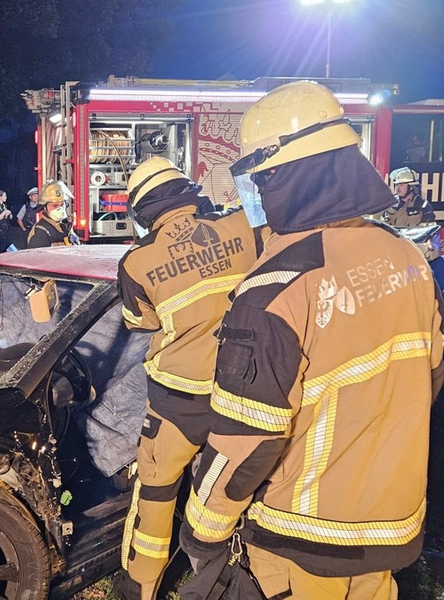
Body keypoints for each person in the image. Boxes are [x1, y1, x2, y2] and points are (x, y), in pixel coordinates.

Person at [179, 80, 444, 600]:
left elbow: (245, 438)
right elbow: (427, 379)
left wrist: (202, 531)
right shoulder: (407, 258)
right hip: (390, 524)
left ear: (280, 175)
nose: (252, 194)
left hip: (300, 535)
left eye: (257, 178)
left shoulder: (277, 289)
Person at [116, 156, 264, 600]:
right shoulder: (243, 229)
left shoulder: (137, 263)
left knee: (155, 497)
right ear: (188, 193)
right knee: (234, 494)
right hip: (240, 395)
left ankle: (140, 588)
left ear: (142, 212)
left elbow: (139, 323)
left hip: (175, 402)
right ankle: (228, 576)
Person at [27, 181, 78, 248]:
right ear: (45, 207)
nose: (60, 209)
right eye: (55, 206)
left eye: (62, 205)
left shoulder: (66, 227)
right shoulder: (40, 232)